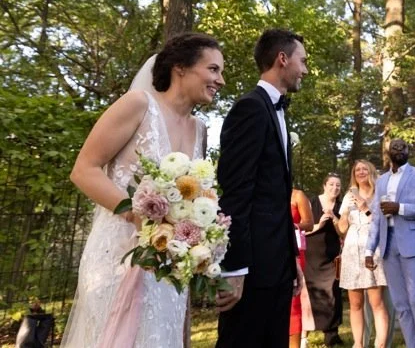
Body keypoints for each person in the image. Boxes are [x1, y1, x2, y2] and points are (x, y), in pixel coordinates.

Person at [63, 33, 224, 348]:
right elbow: (84, 170)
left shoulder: (200, 129)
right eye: (214, 69)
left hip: (166, 265)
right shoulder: (138, 105)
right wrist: (140, 217)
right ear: (180, 68)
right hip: (117, 257)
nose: (221, 80)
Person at [215, 28, 307, 347]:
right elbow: (235, 194)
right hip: (251, 270)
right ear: (282, 59)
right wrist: (234, 268)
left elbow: (278, 200)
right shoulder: (250, 109)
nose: (305, 69)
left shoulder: (279, 111)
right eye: (302, 60)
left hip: (278, 265)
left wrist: (291, 256)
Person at [365, 138, 415, 348]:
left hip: (413, 243)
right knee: (401, 304)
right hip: (389, 246)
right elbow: (377, 217)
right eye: (395, 147)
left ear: (409, 151)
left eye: (403, 147)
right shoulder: (382, 180)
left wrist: (400, 208)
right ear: (388, 152)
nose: (399, 149)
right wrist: (370, 250)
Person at [337, 160, 390, 348]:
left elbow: (381, 222)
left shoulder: (379, 193)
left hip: (372, 249)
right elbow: (342, 229)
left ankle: (381, 344)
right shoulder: (348, 195)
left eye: (364, 169)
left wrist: (363, 206)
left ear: (371, 171)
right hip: (351, 250)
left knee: (376, 302)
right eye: (357, 170)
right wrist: (342, 217)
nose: (360, 172)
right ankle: (358, 344)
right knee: (355, 303)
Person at [306, 173, 344, 347]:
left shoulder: (341, 206)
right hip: (312, 255)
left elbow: (343, 232)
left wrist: (335, 219)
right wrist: (319, 224)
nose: (334, 188)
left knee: (333, 293)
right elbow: (302, 229)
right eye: (331, 185)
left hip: (331, 256)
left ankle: (331, 335)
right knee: (311, 294)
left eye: (337, 185)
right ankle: (303, 334)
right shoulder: (311, 202)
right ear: (324, 185)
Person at [290, 188, 314, 348]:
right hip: (268, 252)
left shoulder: (297, 195)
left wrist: (291, 226)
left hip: (294, 252)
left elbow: (309, 224)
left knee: (293, 301)